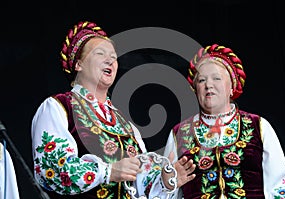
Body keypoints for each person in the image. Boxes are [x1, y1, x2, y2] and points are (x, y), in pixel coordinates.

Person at [31, 20, 195, 199]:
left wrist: (164, 180)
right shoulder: (58, 107)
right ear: (78, 64)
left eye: (114, 57)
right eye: (100, 53)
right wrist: (108, 172)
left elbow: (138, 183)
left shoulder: (125, 125)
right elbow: (51, 170)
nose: (110, 60)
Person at [163, 44, 285, 198]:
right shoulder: (179, 134)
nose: (208, 85)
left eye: (216, 78)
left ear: (232, 87)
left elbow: (282, 184)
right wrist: (167, 183)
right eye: (201, 80)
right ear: (195, 89)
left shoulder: (258, 126)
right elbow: (164, 192)